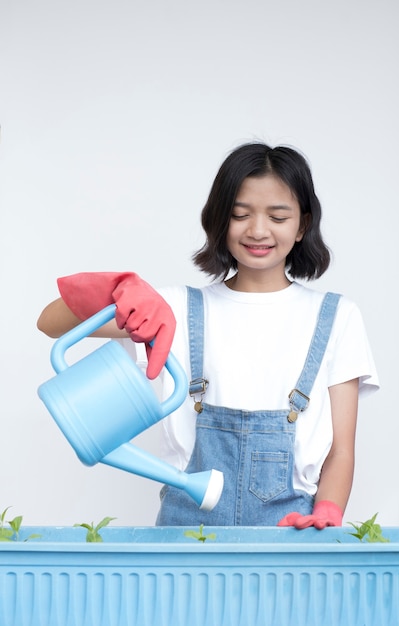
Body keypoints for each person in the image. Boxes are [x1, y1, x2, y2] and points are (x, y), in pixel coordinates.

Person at [37, 142, 379, 528]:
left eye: (278, 217)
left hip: (291, 535)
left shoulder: (337, 317)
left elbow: (341, 451)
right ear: (219, 220)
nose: (258, 230)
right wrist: (118, 289)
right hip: (184, 537)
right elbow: (51, 322)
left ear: (302, 225)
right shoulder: (174, 309)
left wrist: (328, 512)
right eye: (240, 214)